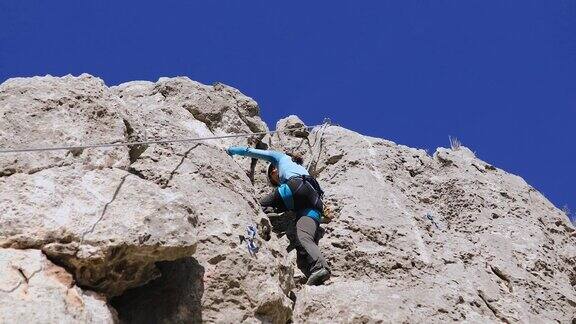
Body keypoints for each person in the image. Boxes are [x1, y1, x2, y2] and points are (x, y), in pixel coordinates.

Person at [227, 146, 331, 285]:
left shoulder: (280, 158)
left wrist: (231, 150)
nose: (276, 183)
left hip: (295, 188)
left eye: (274, 180)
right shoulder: (303, 170)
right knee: (304, 237)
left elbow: (253, 152)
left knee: (256, 205)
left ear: (274, 169)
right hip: (314, 204)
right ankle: (320, 268)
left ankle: (270, 213)